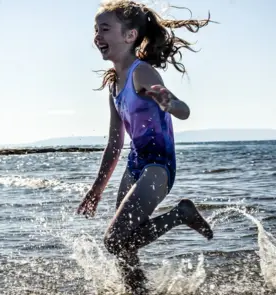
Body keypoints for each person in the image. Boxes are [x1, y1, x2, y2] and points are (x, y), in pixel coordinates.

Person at [77, 1, 214, 293]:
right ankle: (138, 292)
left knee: (113, 241)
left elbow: (184, 110)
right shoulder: (114, 85)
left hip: (158, 166)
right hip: (135, 165)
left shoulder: (142, 72)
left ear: (129, 36)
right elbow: (115, 143)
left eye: (105, 29)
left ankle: (180, 215)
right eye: (95, 30)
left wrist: (169, 102)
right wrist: (96, 189)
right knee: (125, 251)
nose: (97, 36)